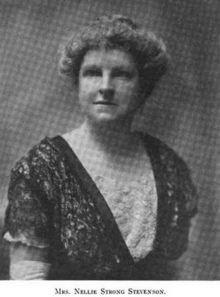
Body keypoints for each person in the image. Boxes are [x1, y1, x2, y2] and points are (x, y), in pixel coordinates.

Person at [3, 15, 197, 280]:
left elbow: (170, 274)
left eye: (121, 74)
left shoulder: (168, 165)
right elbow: (27, 282)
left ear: (143, 87)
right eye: (93, 73)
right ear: (78, 83)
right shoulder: (41, 169)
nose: (106, 87)